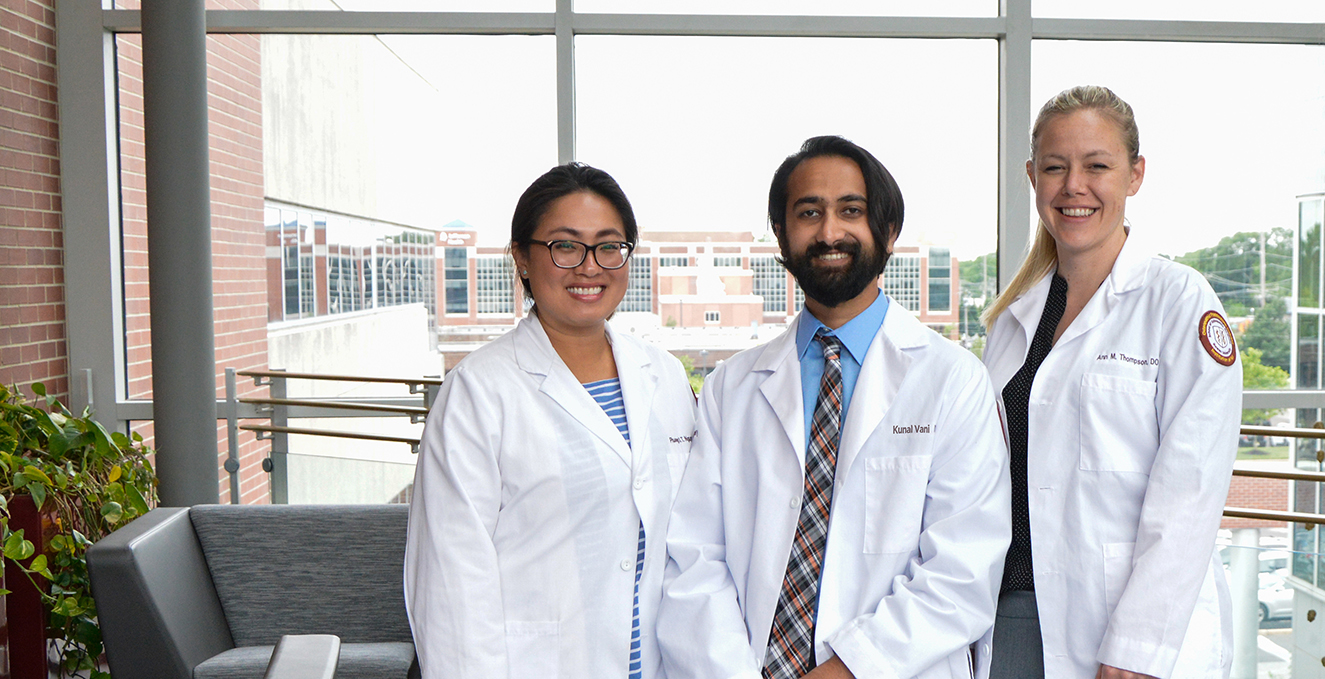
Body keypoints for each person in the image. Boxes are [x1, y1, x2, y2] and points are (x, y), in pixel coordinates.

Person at [658, 135, 1010, 679]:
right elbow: (695, 559)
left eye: (852, 210)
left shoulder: (953, 381)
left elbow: (962, 568)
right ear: (781, 235)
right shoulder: (733, 387)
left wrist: (846, 671)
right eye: (808, 212)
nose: (828, 232)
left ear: (888, 232)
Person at [981, 85, 1242, 679]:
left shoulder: (1178, 303)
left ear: (1135, 175)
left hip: (1131, 630)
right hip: (1012, 619)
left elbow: (1190, 493)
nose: (1075, 185)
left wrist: (1136, 649)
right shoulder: (1013, 319)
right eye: (1055, 167)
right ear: (1032, 176)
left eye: (1097, 165)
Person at [404, 163, 697, 679]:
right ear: (521, 256)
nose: (590, 267)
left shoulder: (665, 376)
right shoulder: (479, 391)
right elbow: (452, 586)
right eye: (566, 246)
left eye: (609, 246)